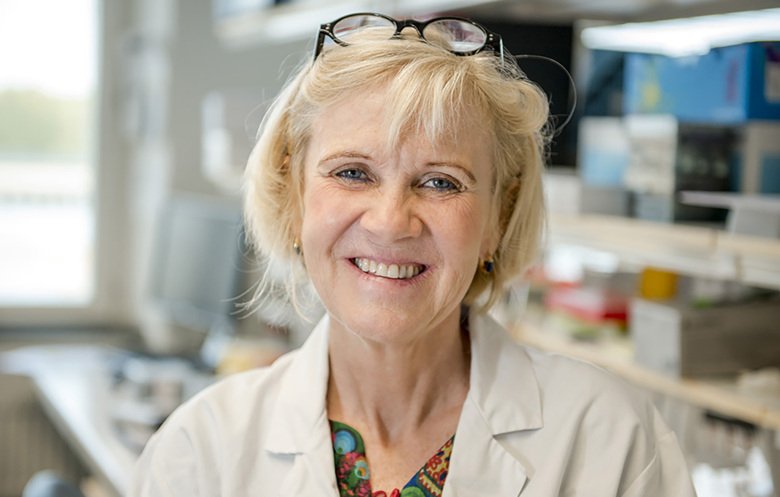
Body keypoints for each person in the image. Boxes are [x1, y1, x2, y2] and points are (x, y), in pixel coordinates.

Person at [130, 13, 697, 497]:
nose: (390, 221)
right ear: (294, 197)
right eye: (352, 173)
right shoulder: (198, 454)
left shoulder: (610, 440)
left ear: (498, 216)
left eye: (442, 182)